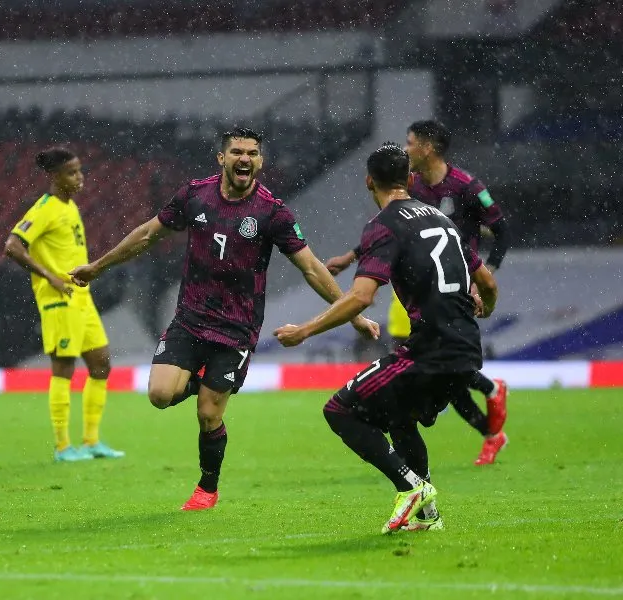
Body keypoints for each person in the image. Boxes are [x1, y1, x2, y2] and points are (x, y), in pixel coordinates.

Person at [69, 127, 379, 511]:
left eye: (252, 152)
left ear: (260, 161)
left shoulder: (273, 213)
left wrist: (351, 313)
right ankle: (204, 383)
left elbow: (313, 269)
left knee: (207, 413)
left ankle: (207, 487)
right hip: (190, 318)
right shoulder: (194, 195)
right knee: (160, 395)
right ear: (222, 158)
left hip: (236, 329)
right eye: (236, 152)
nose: (244, 158)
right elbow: (148, 234)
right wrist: (98, 267)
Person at [275, 143, 498, 533]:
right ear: (410, 180)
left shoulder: (385, 224)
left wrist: (305, 330)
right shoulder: (443, 221)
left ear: (368, 182)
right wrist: (487, 305)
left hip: (430, 349)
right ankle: (429, 518)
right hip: (467, 347)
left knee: (339, 410)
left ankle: (410, 487)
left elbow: (362, 296)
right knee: (399, 416)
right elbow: (488, 282)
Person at [325, 120, 510, 465]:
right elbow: (390, 231)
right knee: (428, 364)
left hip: (455, 282)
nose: (405, 149)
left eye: (410, 143)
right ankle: (488, 429)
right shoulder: (413, 189)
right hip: (413, 280)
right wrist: (351, 257)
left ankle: (489, 394)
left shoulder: (468, 186)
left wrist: (483, 276)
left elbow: (503, 231)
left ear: (427, 147)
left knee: (435, 358)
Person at [5, 147, 124, 463]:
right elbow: (12, 246)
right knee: (64, 371)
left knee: (101, 365)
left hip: (82, 299)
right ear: (55, 177)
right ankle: (62, 447)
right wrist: (52, 278)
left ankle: (92, 440)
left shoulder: (69, 207)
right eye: (72, 172)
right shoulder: (44, 209)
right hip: (59, 299)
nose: (80, 177)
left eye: (80, 170)